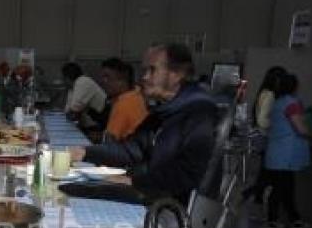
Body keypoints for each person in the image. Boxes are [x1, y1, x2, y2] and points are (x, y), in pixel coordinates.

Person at [70, 43, 217, 204]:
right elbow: (131, 149)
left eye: (152, 70)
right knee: (74, 189)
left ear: (176, 74)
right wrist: (85, 153)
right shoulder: (164, 112)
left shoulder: (199, 112)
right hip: (153, 194)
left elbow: (188, 174)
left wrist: (135, 182)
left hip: (173, 210)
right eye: (144, 70)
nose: (145, 77)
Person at [264, 72, 312, 228]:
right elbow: (300, 129)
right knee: (282, 189)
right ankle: (276, 220)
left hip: (277, 153)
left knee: (284, 189)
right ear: (295, 87)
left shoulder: (278, 102)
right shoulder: (292, 104)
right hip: (286, 155)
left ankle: (294, 219)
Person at [241, 66, 286, 210]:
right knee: (269, 175)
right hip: (266, 138)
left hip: (261, 137)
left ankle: (256, 198)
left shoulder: (263, 93)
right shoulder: (271, 95)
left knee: (265, 173)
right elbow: (262, 120)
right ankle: (249, 195)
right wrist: (276, 125)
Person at [98, 58, 147, 141]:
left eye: (107, 77)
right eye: (102, 77)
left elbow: (109, 142)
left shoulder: (123, 103)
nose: (103, 81)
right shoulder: (137, 95)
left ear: (122, 80)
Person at [62, 62, 107, 130]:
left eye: (64, 78)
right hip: (91, 122)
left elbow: (74, 110)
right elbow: (68, 110)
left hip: (100, 122)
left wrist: (70, 113)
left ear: (68, 77)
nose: (64, 81)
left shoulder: (83, 81)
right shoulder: (72, 87)